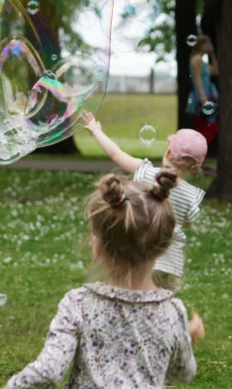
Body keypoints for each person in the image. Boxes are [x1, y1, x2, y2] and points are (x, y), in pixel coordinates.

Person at [4, 170, 205, 388]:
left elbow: (49, 371)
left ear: (97, 247)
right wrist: (183, 340)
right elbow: (183, 374)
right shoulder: (172, 312)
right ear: (163, 247)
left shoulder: (79, 304)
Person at [82, 112, 207, 292]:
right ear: (195, 168)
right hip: (170, 263)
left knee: (131, 298)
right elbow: (187, 222)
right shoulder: (191, 195)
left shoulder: (146, 173)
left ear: (168, 151)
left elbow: (116, 154)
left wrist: (96, 131)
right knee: (160, 307)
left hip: (140, 251)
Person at [185, 35, 219, 155]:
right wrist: (203, 98)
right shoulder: (197, 59)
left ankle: (197, 159)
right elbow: (197, 79)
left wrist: (212, 54)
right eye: (208, 43)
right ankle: (193, 153)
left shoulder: (200, 60)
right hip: (200, 97)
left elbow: (216, 70)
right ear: (201, 44)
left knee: (202, 129)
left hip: (204, 96)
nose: (210, 45)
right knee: (211, 128)